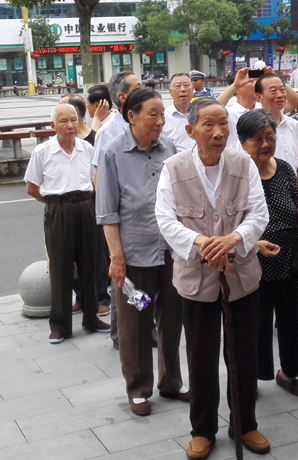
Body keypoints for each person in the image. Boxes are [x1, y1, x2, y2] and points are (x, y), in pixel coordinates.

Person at [155, 98, 270, 459]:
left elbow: (258, 213)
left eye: (223, 124)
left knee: (244, 354)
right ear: (190, 131)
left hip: (241, 275)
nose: (219, 132)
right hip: (196, 277)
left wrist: (233, 239)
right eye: (209, 125)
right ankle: (203, 429)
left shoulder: (243, 164)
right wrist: (203, 243)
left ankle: (245, 424)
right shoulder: (173, 168)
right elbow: (165, 219)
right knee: (201, 356)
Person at [96, 88, 188, 417]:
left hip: (170, 252)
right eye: (153, 114)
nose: (160, 121)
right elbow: (107, 212)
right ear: (131, 116)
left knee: (171, 319)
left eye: (162, 114)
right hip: (134, 258)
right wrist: (116, 258)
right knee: (136, 322)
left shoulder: (170, 149)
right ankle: (138, 388)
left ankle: (171, 381)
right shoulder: (112, 153)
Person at [237, 108, 298, 397]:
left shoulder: (283, 168)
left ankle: (289, 373)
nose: (266, 144)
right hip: (253, 260)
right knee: (255, 323)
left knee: (290, 320)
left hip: (288, 257)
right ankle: (253, 376)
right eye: (258, 140)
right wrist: (253, 244)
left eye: (270, 137)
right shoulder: (238, 174)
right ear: (243, 143)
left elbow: (296, 205)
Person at [24, 104, 110, 344]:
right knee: (60, 268)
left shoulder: (87, 148)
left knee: (89, 264)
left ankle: (91, 317)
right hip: (58, 210)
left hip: (85, 206)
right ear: (53, 126)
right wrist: (55, 204)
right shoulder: (42, 152)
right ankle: (60, 325)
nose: (71, 125)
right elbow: (31, 188)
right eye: (64, 121)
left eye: (74, 120)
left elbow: (94, 180)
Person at [92, 71, 142, 351]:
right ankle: (120, 332)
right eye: (138, 86)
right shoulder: (109, 131)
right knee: (122, 277)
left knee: (142, 280)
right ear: (123, 97)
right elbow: (98, 178)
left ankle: (146, 327)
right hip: (121, 219)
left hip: (146, 220)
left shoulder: (145, 123)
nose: (144, 89)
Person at [59, 95, 111, 317]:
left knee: (96, 253)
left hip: (92, 204)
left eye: (67, 115)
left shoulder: (93, 139)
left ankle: (101, 297)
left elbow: (100, 174)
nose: (65, 122)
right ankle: (80, 297)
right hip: (66, 208)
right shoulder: (59, 142)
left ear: (77, 114)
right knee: (72, 254)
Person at [255, 73, 298, 184]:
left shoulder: (293, 125)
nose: (280, 95)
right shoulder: (252, 127)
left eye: (282, 90)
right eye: (273, 91)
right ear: (259, 97)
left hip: (292, 188)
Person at [93, 72, 142, 171]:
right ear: (122, 97)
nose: (144, 92)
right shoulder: (107, 132)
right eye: (138, 88)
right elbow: (99, 172)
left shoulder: (153, 123)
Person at [163, 73, 195, 152]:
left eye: (186, 85)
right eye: (178, 86)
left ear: (192, 89)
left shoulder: (201, 113)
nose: (183, 89)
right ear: (170, 92)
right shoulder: (163, 118)